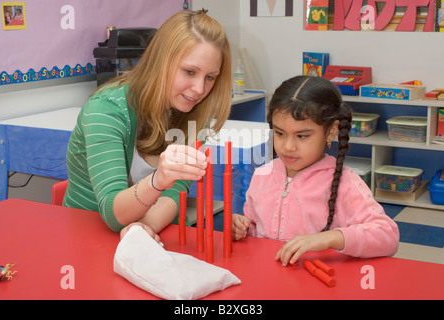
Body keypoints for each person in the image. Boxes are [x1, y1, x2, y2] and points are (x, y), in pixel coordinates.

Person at [63, 9, 232, 241]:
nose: (200, 89)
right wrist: (158, 181)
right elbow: (114, 214)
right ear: (160, 61)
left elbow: (176, 191)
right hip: (88, 239)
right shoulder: (106, 109)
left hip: (148, 236)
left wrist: (144, 227)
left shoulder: (190, 110)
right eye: (190, 71)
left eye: (210, 77)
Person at [232, 75, 399, 266]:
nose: (288, 146)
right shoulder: (262, 174)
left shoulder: (346, 182)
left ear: (331, 131)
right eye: (279, 133)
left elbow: (387, 235)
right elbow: (254, 226)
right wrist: (241, 228)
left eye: (302, 136)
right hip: (269, 279)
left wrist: (329, 238)